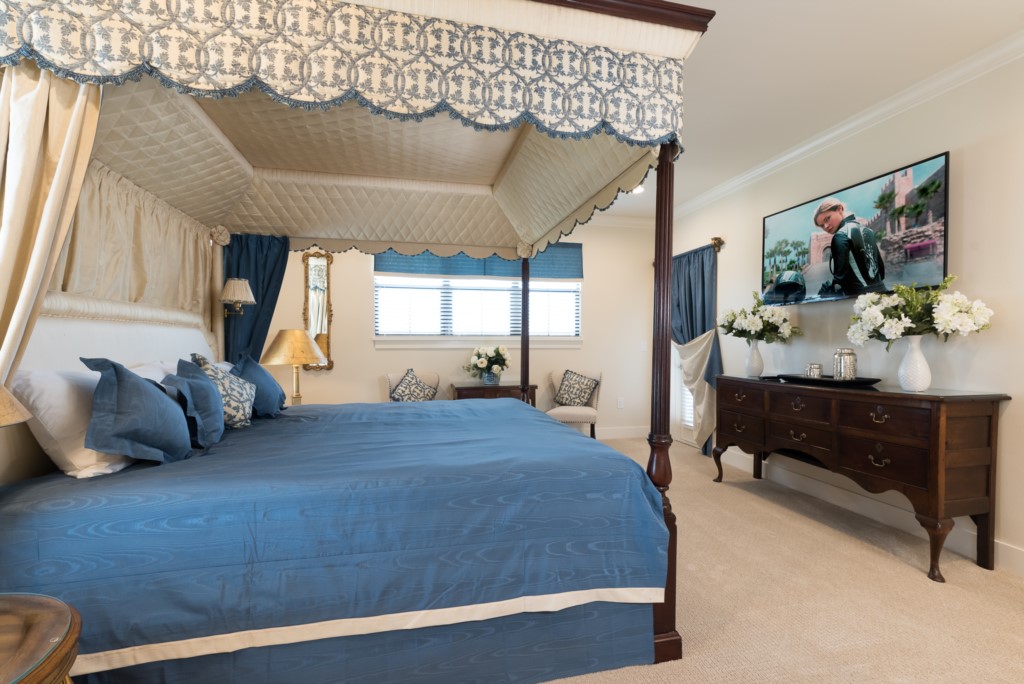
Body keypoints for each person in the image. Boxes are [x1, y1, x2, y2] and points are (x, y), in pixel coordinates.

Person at [813, 197, 886, 297]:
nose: (825, 226)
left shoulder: (840, 236)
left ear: (839, 209)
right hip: (882, 293)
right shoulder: (868, 231)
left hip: (859, 298)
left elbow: (839, 283)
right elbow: (881, 272)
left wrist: (826, 290)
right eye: (822, 225)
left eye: (827, 219)